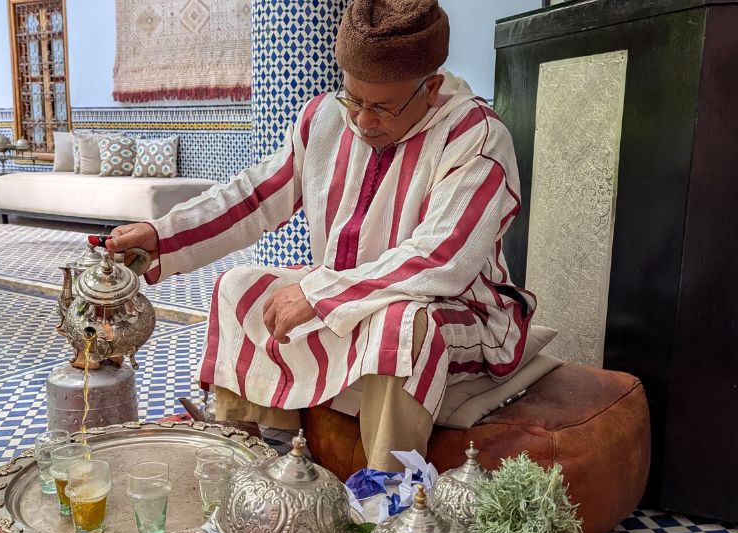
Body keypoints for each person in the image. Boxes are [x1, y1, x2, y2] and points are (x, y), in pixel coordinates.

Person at [108, 0, 535, 471]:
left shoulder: (476, 136)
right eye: (354, 98)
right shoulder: (326, 118)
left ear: (431, 88)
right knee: (240, 289)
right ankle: (259, 456)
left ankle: (387, 494)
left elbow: (439, 260)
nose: (362, 120)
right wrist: (161, 235)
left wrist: (318, 293)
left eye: (381, 107)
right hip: (347, 299)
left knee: (400, 321)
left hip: (459, 308)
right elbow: (253, 198)